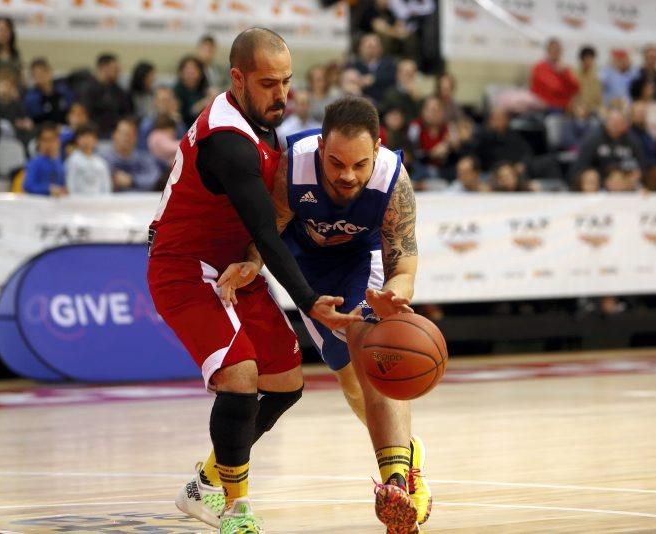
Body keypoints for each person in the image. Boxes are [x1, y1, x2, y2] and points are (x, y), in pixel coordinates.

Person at [147, 28, 361, 534]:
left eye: (287, 81)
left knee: (285, 385)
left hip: (230, 266)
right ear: (238, 79)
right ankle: (236, 509)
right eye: (268, 83)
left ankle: (204, 481)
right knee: (240, 376)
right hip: (184, 267)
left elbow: (264, 228)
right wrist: (310, 302)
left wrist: (252, 260)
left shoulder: (266, 127)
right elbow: (267, 231)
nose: (281, 95)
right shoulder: (228, 140)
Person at [218, 95, 432, 533]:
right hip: (307, 270)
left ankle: (398, 483)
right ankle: (408, 451)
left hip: (362, 259)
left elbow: (404, 263)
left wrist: (394, 295)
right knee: (351, 381)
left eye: (359, 164)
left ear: (377, 149)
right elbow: (268, 230)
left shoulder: (394, 180)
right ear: (320, 149)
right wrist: (252, 263)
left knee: (375, 354)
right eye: (335, 163)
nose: (347, 175)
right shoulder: (292, 167)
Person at [65, 122, 111, 195]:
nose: (87, 140)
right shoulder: (72, 161)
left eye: (90, 136)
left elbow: (106, 186)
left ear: (95, 140)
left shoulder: (101, 162)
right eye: (83, 137)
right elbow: (70, 183)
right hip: (79, 201)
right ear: (77, 140)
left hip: (98, 201)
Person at [23, 122, 66, 196]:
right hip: (39, 203)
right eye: (45, 140)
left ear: (58, 141)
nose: (49, 144)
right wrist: (48, 189)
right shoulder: (34, 163)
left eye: (52, 140)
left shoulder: (60, 162)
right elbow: (28, 186)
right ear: (38, 142)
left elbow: (62, 185)